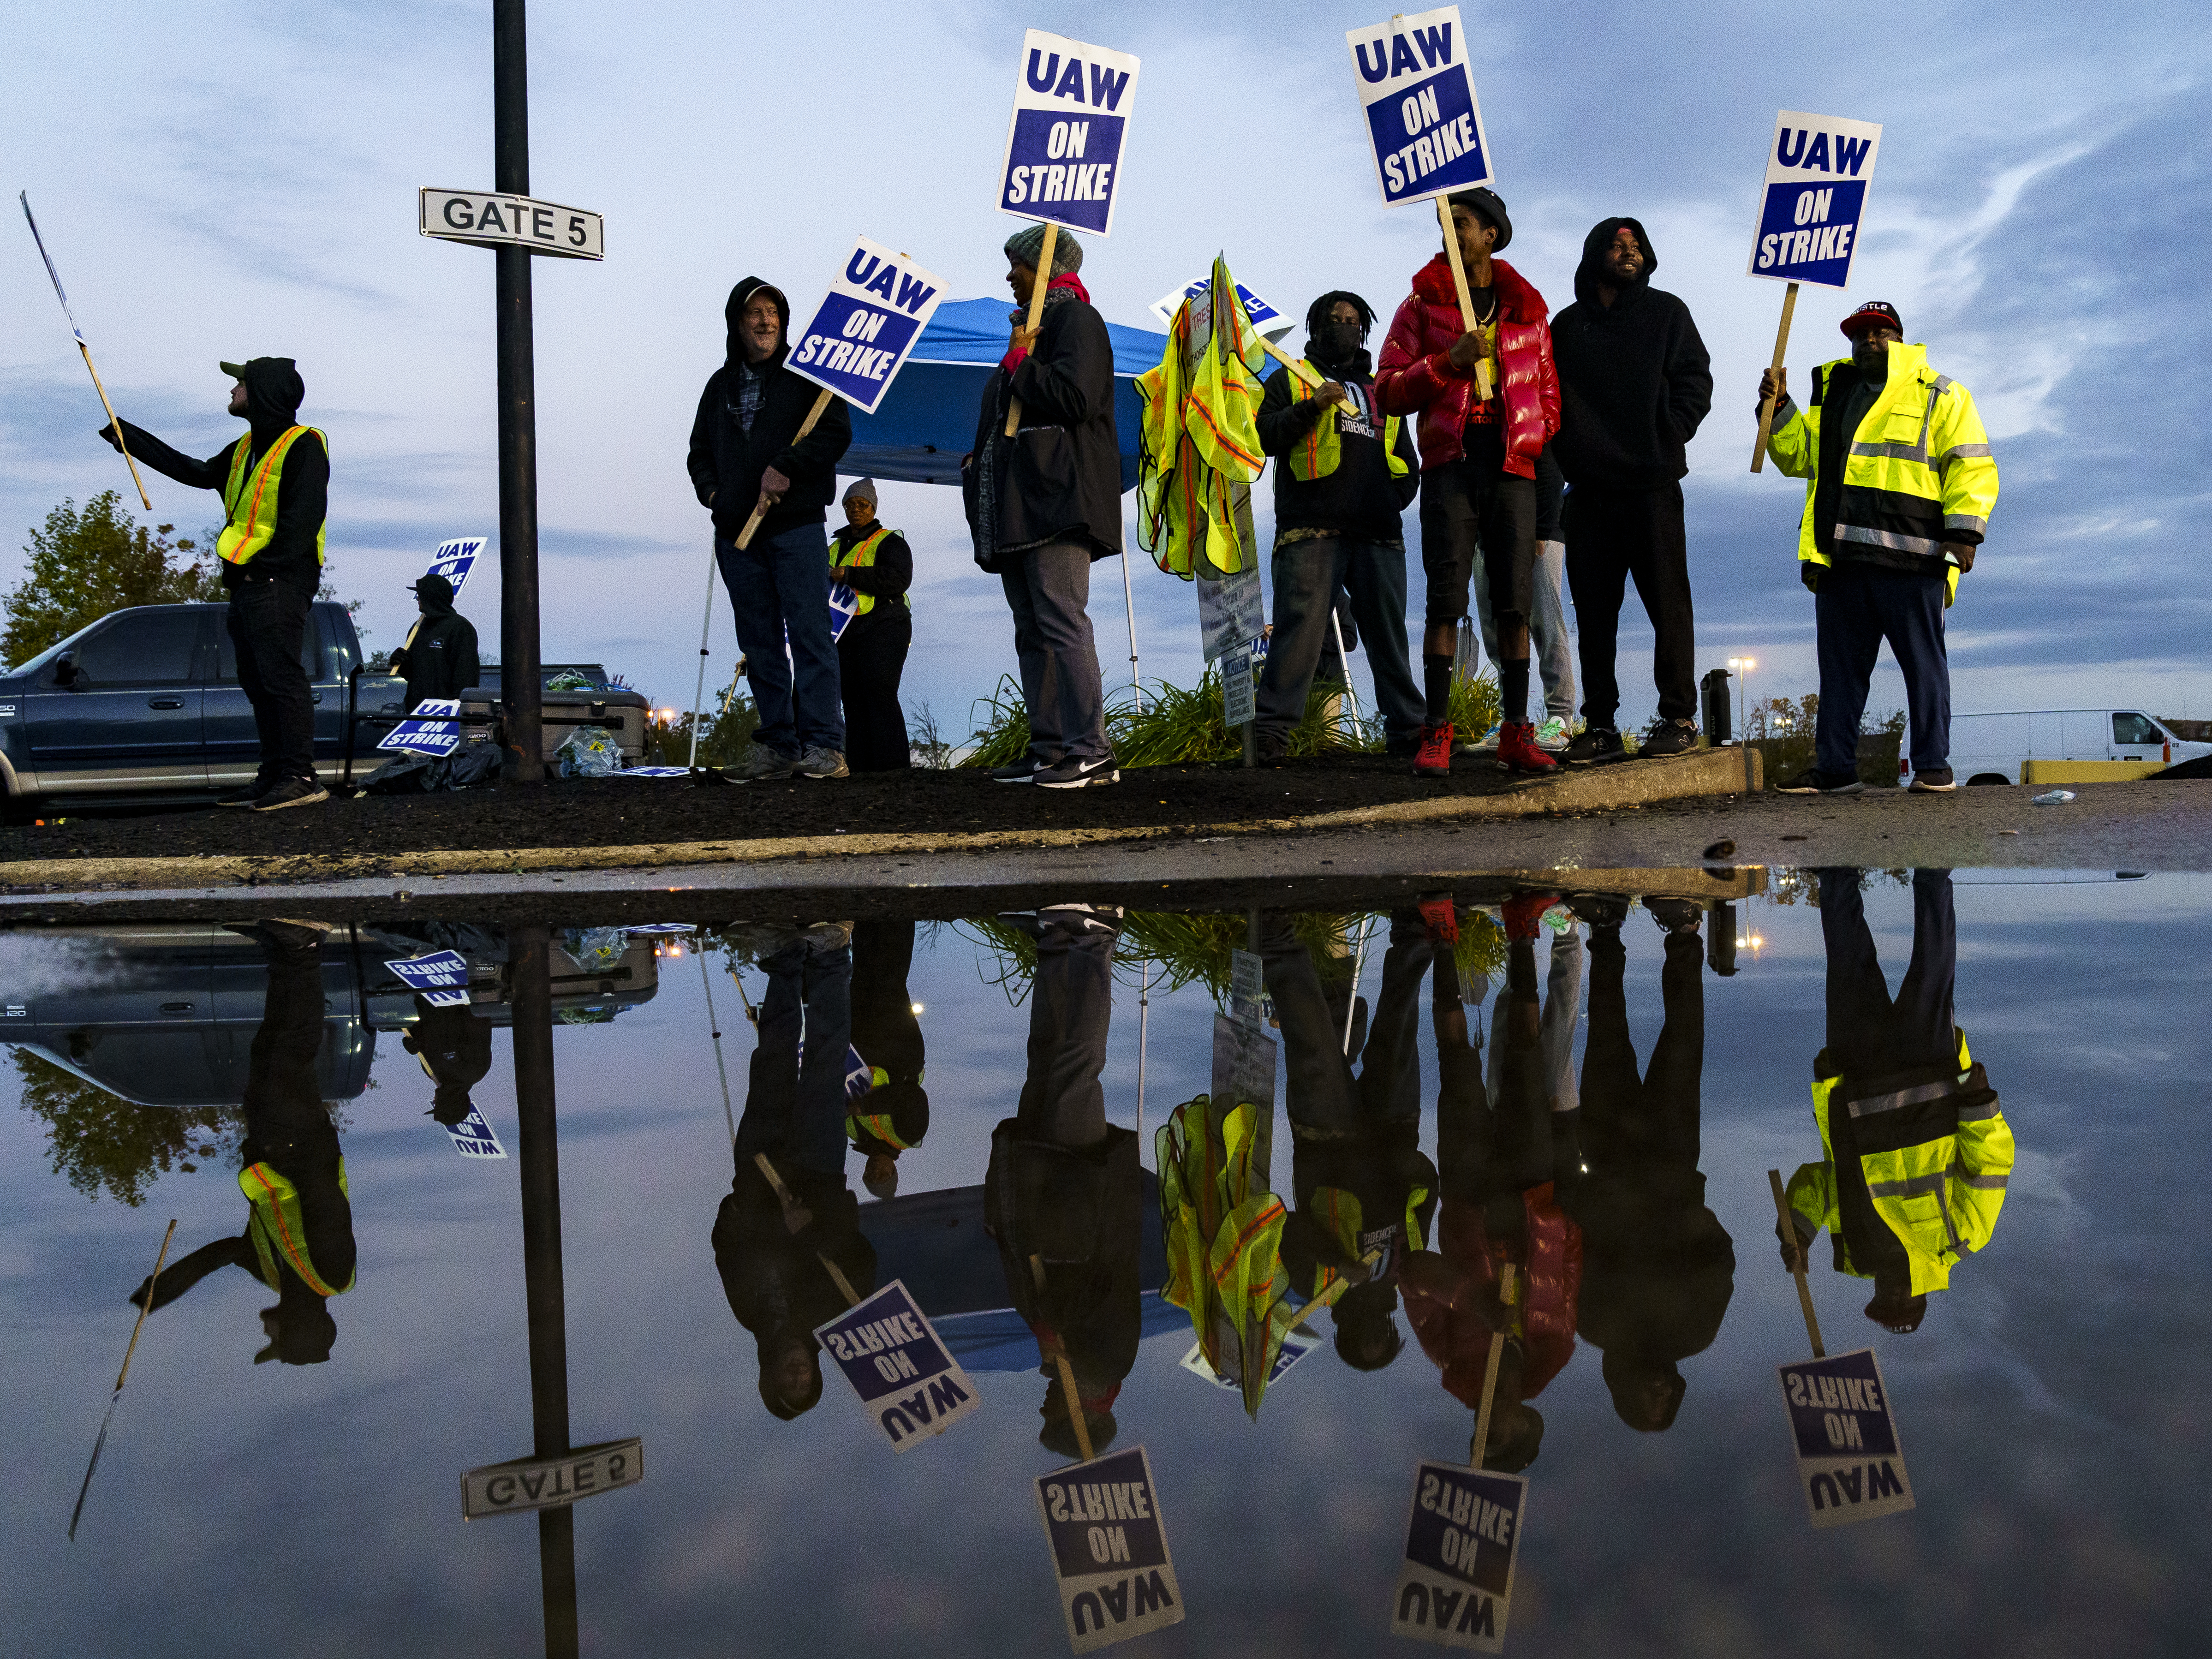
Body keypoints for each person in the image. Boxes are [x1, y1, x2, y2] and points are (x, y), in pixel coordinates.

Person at [1759, 302, 2001, 793]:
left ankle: (1933, 767)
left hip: (1914, 557)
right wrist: (1779, 409)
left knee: (1924, 667)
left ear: (1900, 339)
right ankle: (1834, 771)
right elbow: (1802, 458)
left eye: (1879, 332)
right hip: (1842, 558)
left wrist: (1964, 534)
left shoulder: (1941, 394)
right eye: (1859, 334)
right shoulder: (1835, 394)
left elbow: (1971, 465)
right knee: (1841, 676)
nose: (1868, 340)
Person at [1375, 188, 1562, 778]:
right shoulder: (1420, 306)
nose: (1448, 232)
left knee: (1515, 605)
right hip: (1449, 469)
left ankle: (1515, 731)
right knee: (1444, 602)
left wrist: (1531, 431)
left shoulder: (1529, 313)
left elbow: (1550, 397)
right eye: (1443, 223)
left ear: (1491, 235)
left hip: (1512, 472)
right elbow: (1387, 389)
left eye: (1460, 223)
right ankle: (1437, 733)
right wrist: (1449, 362)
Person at [1779, 870, 2012, 1332]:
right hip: (1927, 1071)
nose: (1891, 1294)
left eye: (1884, 1303)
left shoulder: (1855, 1250)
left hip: (1857, 1080)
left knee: (1846, 960)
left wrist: (1798, 1231)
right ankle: (1931, 869)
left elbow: (1824, 1182)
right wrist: (1978, 1100)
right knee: (1934, 962)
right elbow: (1989, 1161)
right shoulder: (1962, 1239)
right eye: (1903, 1302)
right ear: (1921, 1294)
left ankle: (1835, 871)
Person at [1400, 893, 1582, 1472]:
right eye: (1499, 1437)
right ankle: (1523, 932)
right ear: (1526, 1422)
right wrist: (1559, 1221)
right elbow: (1575, 1261)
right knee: (1525, 1058)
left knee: (1456, 1064)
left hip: (1470, 1194)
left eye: (1479, 1438)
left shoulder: (1449, 1357)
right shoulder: (1555, 1346)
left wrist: (1471, 1299)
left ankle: (1443, 940)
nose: (1486, 1427)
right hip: (1532, 1187)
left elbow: (1410, 1274)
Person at [98, 358, 329, 811]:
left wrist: (262, 566)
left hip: (279, 577)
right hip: (250, 580)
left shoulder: (305, 445)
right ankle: (275, 773)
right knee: (257, 678)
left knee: (280, 675)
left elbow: (304, 521)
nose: (233, 388)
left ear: (262, 392)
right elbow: (197, 473)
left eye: (240, 382)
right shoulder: (245, 448)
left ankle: (301, 775)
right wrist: (127, 437)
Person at [126, 921, 355, 1365]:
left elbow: (225, 1252)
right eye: (273, 1338)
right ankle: (304, 948)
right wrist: (296, 1144)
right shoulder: (333, 1275)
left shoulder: (272, 1274)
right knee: (289, 1050)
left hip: (269, 1143)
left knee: (272, 1048)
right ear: (296, 1325)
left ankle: (286, 956)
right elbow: (327, 1201)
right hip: (300, 1144)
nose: (263, 1329)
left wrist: (159, 1294)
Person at [1558, 895, 1735, 1432]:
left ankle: (1606, 931)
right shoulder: (1695, 1331)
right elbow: (1720, 1258)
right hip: (1671, 1162)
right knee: (1683, 1041)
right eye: (1666, 1398)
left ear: (1623, 1391)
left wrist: (1580, 1192)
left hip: (1608, 1159)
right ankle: (1683, 933)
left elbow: (1570, 1250)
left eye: (1646, 1399)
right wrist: (1683, 1214)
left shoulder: (1593, 1325)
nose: (1658, 1387)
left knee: (1606, 1034)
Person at [963, 227, 1123, 790]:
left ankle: (1091, 750)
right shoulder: (1031, 331)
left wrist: (1020, 365)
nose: (1010, 275)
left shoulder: (1077, 321)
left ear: (1048, 269)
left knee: (1061, 619)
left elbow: (1077, 397)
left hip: (1058, 497)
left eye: (1020, 266)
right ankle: (1050, 749)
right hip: (1023, 503)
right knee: (1033, 628)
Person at [1550, 218, 1715, 764]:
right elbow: (1547, 400)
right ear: (1594, 253)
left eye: (1637, 245)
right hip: (1590, 490)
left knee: (1669, 605)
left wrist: (1669, 432)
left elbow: (1695, 379)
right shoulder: (1567, 327)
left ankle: (1678, 718)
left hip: (1652, 486)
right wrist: (1566, 454)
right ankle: (1600, 727)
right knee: (1594, 614)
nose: (1630, 252)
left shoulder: (1667, 312)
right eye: (1618, 245)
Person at [984, 905, 1139, 1455]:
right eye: (1054, 1417)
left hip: (1037, 1176)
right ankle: (1095, 938)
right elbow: (1093, 1288)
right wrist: (1057, 1331)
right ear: (1081, 1417)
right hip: (1079, 1178)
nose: (1044, 1405)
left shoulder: (1064, 1359)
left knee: (1046, 1057)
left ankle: (1055, 944)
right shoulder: (1108, 1358)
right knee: (1075, 1063)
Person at [688, 278, 854, 782]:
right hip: (738, 538)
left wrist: (789, 465)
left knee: (810, 635)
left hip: (796, 526)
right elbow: (698, 453)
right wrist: (714, 496)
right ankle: (779, 744)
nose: (764, 321)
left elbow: (835, 433)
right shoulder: (719, 387)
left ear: (783, 321)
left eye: (772, 312)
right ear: (736, 323)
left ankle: (825, 745)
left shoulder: (807, 378)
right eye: (753, 313)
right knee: (759, 641)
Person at [1258, 909, 1439, 1370]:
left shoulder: (1312, 1283)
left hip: (1326, 1137)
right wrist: (1402, 1162)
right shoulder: (1403, 1275)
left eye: (1368, 1336)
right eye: (1385, 1336)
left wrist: (1336, 1259)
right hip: (1393, 1128)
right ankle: (1414, 931)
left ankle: (1277, 932)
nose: (1378, 1329)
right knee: (1400, 1026)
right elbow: (1426, 1191)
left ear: (1346, 1330)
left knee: (1314, 1042)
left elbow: (1289, 1229)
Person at [711, 921, 877, 1419]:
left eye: (788, 1380)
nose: (798, 1372)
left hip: (759, 1167)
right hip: (819, 1168)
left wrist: (754, 1213)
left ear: (770, 1372)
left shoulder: (749, 1311)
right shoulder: (835, 1312)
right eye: (805, 1380)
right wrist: (814, 1232)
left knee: (772, 1057)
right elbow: (860, 1256)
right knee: (826, 1063)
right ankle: (829, 957)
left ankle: (784, 960)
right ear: (816, 1371)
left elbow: (725, 1241)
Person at [1251, 292, 1424, 760]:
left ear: (1363, 331)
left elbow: (1407, 462)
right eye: (1334, 320)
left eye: (1352, 321)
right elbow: (1263, 436)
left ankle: (1408, 731)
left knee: (1389, 637)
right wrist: (1311, 407)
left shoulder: (1380, 390)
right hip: (1311, 528)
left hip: (1379, 533)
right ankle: (1272, 733)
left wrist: (1392, 500)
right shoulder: (1291, 379)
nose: (1344, 327)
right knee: (1298, 632)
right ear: (1315, 327)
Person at [1465, 442, 1575, 753]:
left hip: (1538, 531)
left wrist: (1541, 529)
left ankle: (1560, 719)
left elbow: (1550, 467)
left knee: (1545, 624)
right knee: (1494, 629)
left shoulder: (1526, 399)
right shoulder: (1476, 412)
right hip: (1485, 534)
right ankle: (1510, 722)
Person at [827, 477, 914, 773]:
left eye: (862, 504)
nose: (855, 510)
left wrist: (848, 574)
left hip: (886, 627)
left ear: (873, 507)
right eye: (850, 505)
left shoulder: (891, 541)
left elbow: (898, 580)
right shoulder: (834, 546)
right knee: (851, 697)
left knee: (880, 692)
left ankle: (893, 768)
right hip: (846, 632)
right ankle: (860, 767)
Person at [845, 918, 928, 1199]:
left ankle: (866, 919)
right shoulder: (909, 1135)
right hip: (898, 1049)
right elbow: (914, 1098)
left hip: (860, 1044)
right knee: (890, 981)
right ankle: (898, 914)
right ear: (893, 1172)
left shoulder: (855, 1136)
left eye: (870, 1177)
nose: (875, 1171)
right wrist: (866, 1106)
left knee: (862, 978)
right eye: (882, 1176)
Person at [387, 573, 480, 714]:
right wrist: (401, 663)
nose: (418, 598)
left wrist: (455, 707)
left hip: (445, 713)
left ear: (431, 596)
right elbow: (413, 676)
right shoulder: (418, 627)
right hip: (416, 711)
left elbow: (466, 677)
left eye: (420, 594)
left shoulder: (460, 628)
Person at [402, 990, 494, 1127]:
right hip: (453, 990)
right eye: (437, 1104)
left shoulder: (432, 1073)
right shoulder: (476, 1070)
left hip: (423, 992)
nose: (434, 1100)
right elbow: (480, 1020)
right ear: (450, 1102)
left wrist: (411, 1043)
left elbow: (421, 1031)